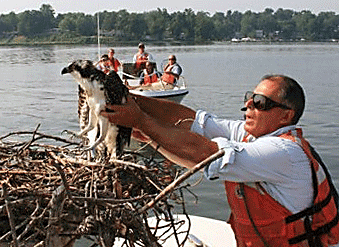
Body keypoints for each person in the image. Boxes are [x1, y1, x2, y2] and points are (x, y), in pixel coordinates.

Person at [101, 74, 339, 246]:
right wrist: (129, 101)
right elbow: (191, 120)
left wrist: (140, 121)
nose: (248, 105)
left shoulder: (284, 153)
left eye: (260, 103)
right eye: (250, 97)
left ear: (286, 116)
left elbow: (204, 154)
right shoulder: (249, 135)